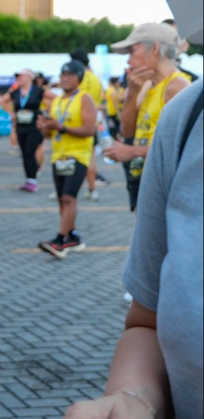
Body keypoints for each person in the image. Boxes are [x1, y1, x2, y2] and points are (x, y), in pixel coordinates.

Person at [65, 79, 202, 419]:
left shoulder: (176, 91)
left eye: (134, 50)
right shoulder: (187, 116)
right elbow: (148, 322)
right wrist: (131, 398)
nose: (128, 62)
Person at [104, 23, 191, 212]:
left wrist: (134, 151)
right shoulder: (146, 85)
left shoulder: (177, 87)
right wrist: (132, 93)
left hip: (165, 182)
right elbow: (127, 131)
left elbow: (181, 147)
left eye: (132, 52)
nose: (128, 61)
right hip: (143, 176)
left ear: (155, 49)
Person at [36, 61, 96, 259]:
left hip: (78, 155)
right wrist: (45, 127)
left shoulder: (84, 99)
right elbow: (50, 133)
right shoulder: (57, 102)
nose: (65, 78)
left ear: (79, 78)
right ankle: (72, 236)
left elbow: (89, 130)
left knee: (69, 198)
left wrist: (61, 127)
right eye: (63, 75)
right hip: (58, 155)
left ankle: (60, 240)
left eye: (70, 75)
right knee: (62, 199)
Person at [0, 69, 56, 193]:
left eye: (21, 76)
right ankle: (29, 179)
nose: (18, 79)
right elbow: (2, 100)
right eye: (17, 77)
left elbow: (56, 98)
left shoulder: (38, 90)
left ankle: (33, 179)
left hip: (34, 126)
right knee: (25, 153)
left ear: (29, 77)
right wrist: (11, 113)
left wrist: (49, 113)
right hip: (21, 125)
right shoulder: (15, 92)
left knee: (31, 151)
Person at [70, 49, 109, 200]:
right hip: (93, 122)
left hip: (76, 122)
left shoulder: (77, 77)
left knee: (70, 156)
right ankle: (92, 190)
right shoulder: (95, 78)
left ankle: (68, 189)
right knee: (91, 156)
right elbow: (101, 99)